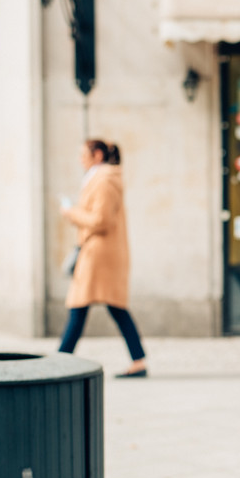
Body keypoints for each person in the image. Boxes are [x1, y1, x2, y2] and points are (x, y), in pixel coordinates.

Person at [59, 139, 148, 378]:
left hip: (98, 252)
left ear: (97, 155)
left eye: (83, 154)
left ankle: (60, 359)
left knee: (79, 305)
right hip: (99, 251)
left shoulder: (104, 180)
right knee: (113, 306)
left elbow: (102, 220)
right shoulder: (101, 178)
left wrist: (71, 213)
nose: (80, 159)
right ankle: (138, 360)